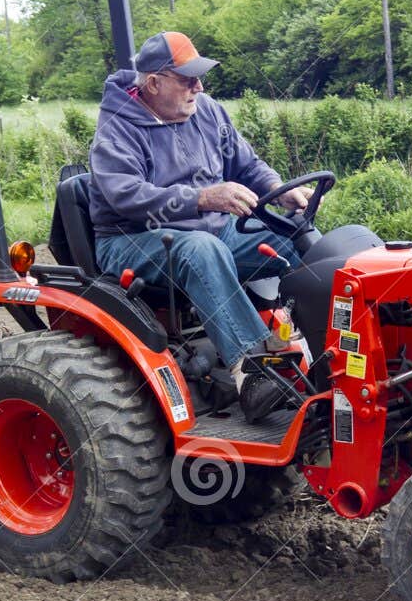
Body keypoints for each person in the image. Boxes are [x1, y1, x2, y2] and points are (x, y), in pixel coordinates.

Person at [87, 31, 312, 392]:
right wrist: (202, 198)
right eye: (187, 79)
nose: (199, 87)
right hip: (132, 239)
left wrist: (275, 188)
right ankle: (254, 372)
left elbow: (247, 165)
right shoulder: (117, 131)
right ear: (155, 83)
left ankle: (328, 345)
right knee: (201, 251)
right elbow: (127, 196)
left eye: (200, 77)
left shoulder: (206, 111)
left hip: (213, 230)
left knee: (296, 235)